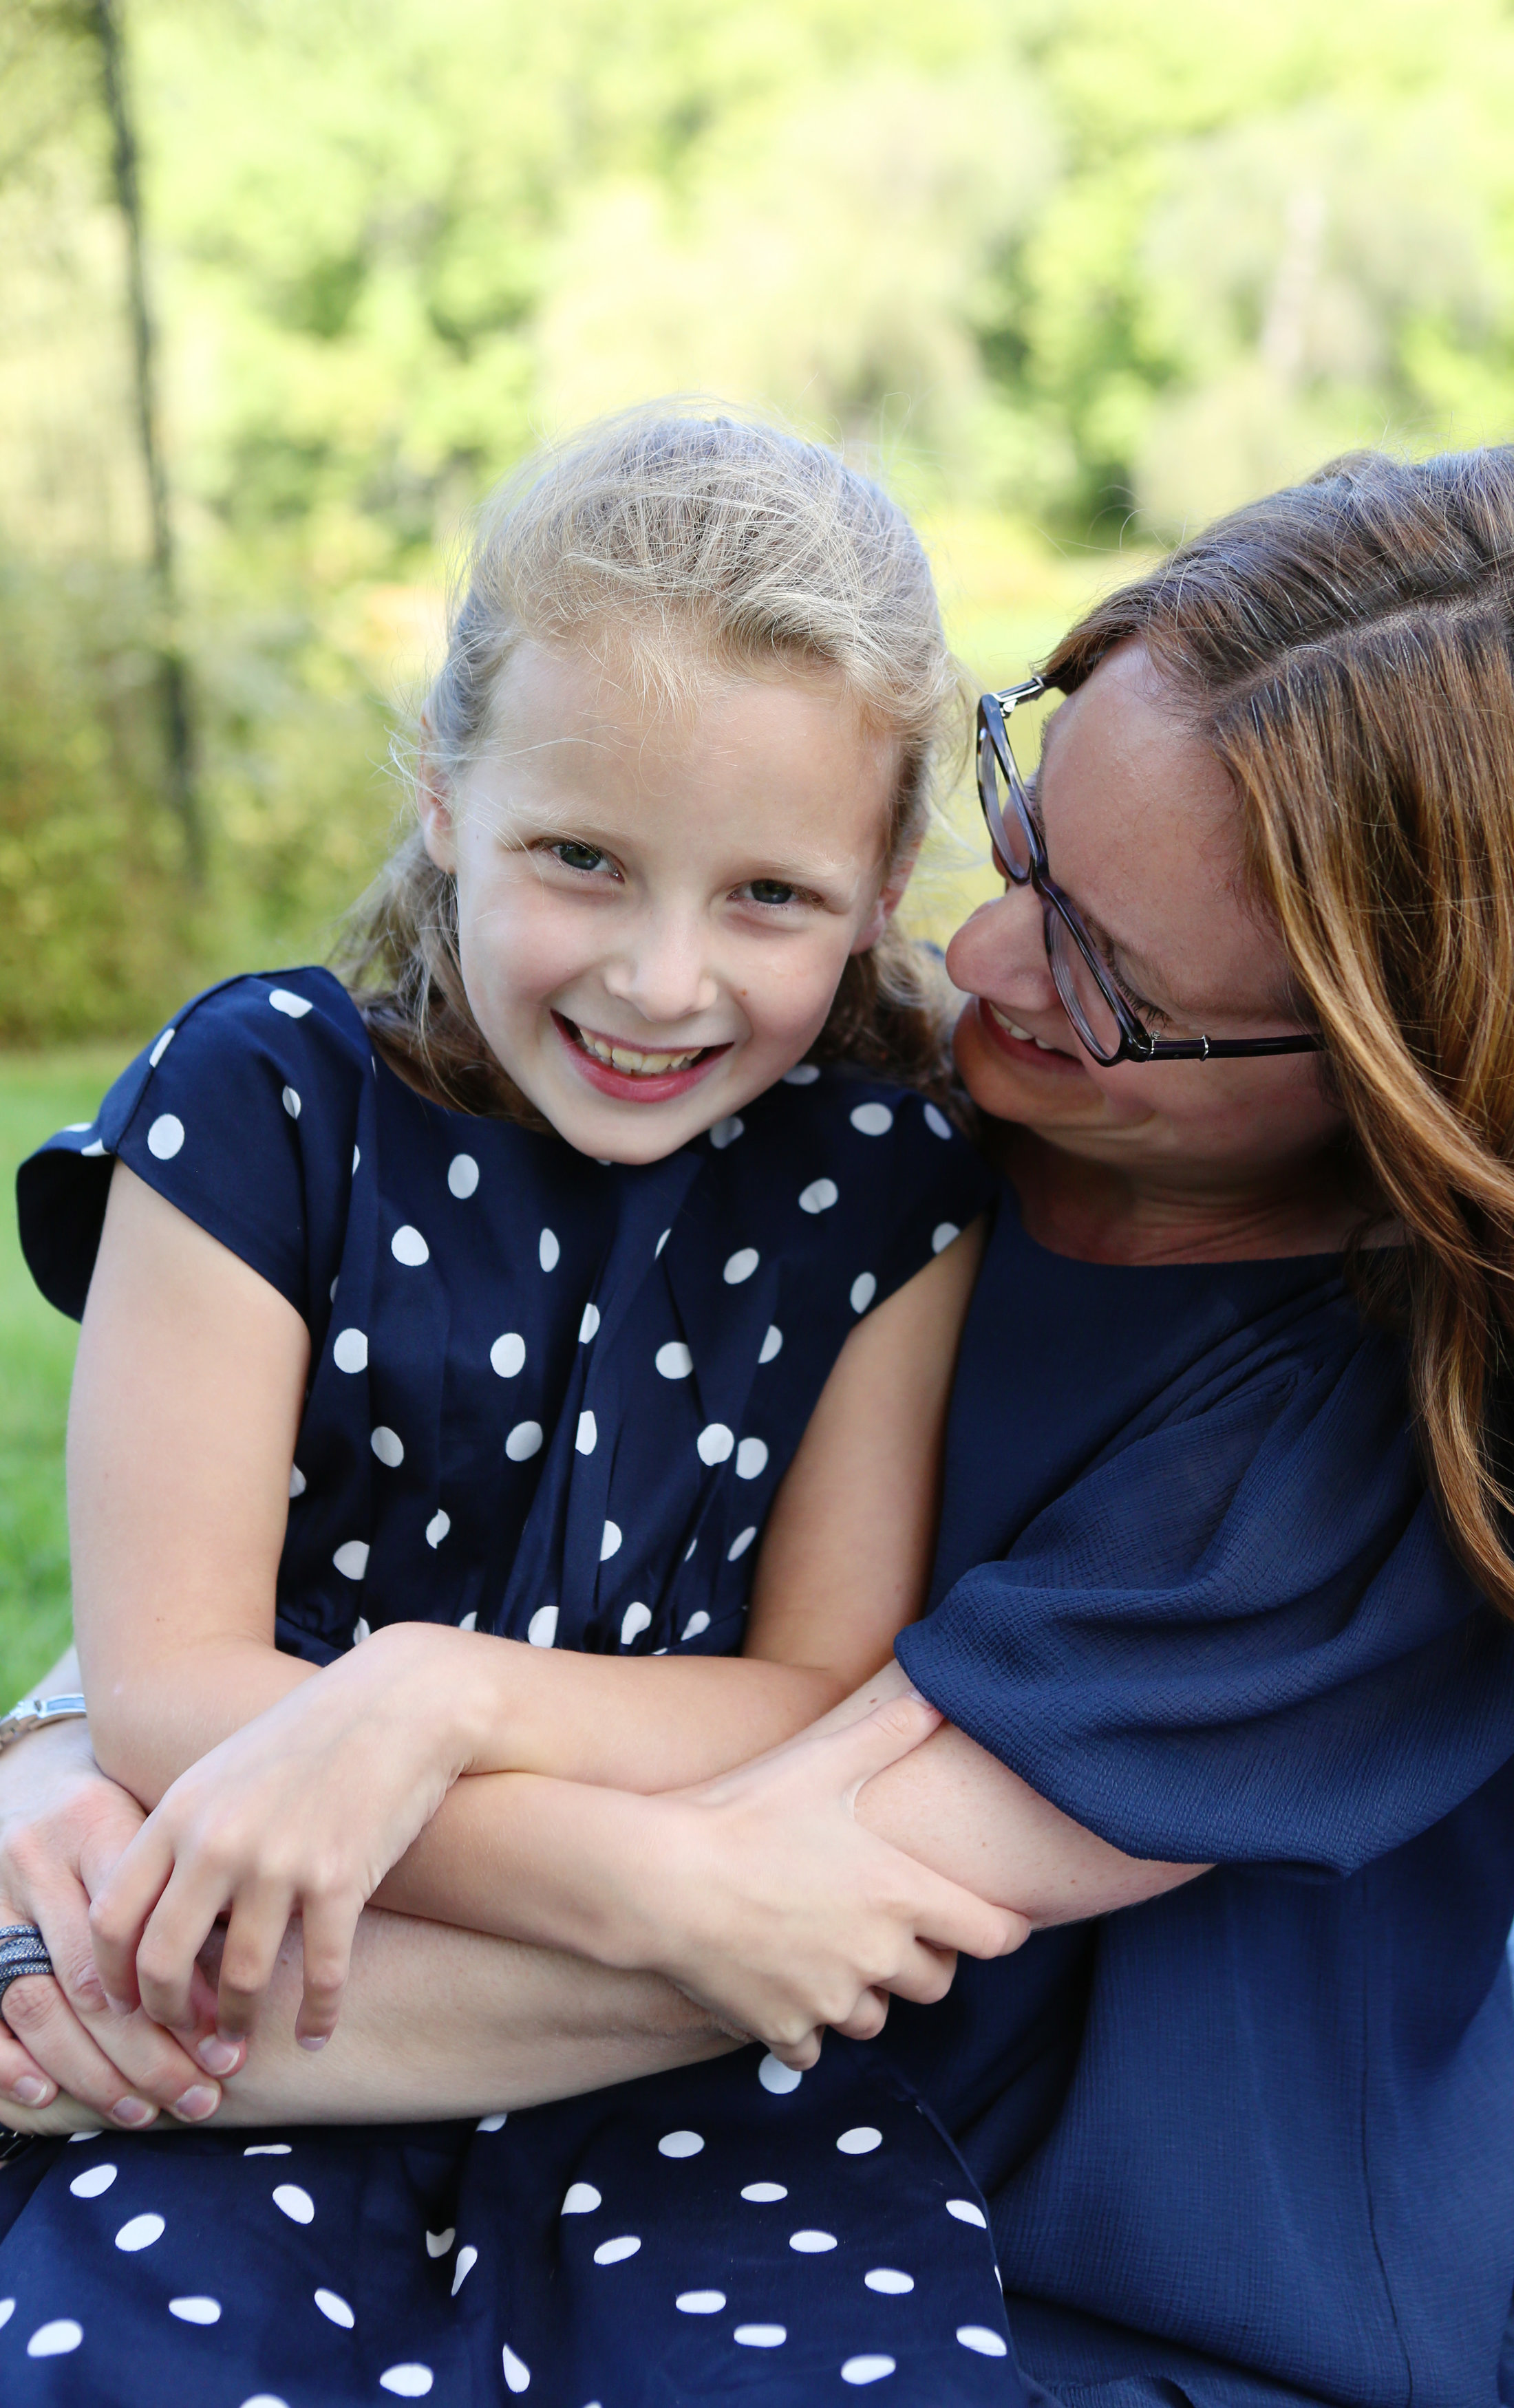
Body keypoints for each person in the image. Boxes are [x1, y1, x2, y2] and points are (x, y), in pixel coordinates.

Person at [8, 442, 1514, 2408]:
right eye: (1022, 847)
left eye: (1104, 974)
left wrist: (57, 1987)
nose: (973, 965)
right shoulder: (879, 1109)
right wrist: (76, 1736)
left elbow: (718, 1922)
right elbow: (357, 1509)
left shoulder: (1381, 1446)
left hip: (1090, 2276)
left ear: (1404, 1076)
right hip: (667, 2164)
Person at [0, 403, 1044, 2405]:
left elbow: (813, 1679)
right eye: (582, 859)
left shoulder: (889, 1186)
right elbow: (164, 1688)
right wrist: (637, 1880)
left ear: (883, 876)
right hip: (286, 1986)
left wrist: (436, 1695)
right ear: (442, 795)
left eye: (768, 897)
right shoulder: (257, 1110)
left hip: (708, 2082)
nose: (661, 978)